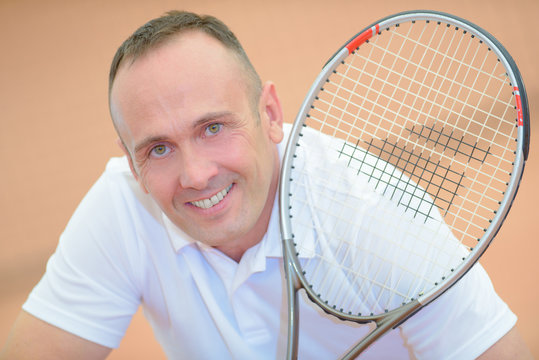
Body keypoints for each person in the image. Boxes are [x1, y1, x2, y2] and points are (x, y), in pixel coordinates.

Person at [0, 10, 532, 360]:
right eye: (157, 148)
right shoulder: (123, 208)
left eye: (213, 127)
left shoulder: (372, 214)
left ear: (271, 115)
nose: (196, 175)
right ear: (131, 162)